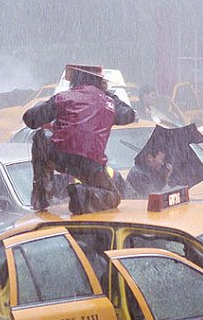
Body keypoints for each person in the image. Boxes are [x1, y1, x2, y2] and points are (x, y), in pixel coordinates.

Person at [23, 64, 135, 214]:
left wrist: (50, 121)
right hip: (91, 163)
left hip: (60, 156)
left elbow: (30, 119)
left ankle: (42, 194)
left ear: (75, 80)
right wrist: (108, 94)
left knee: (40, 138)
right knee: (113, 196)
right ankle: (81, 196)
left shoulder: (63, 98)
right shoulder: (109, 103)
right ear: (99, 82)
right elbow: (129, 115)